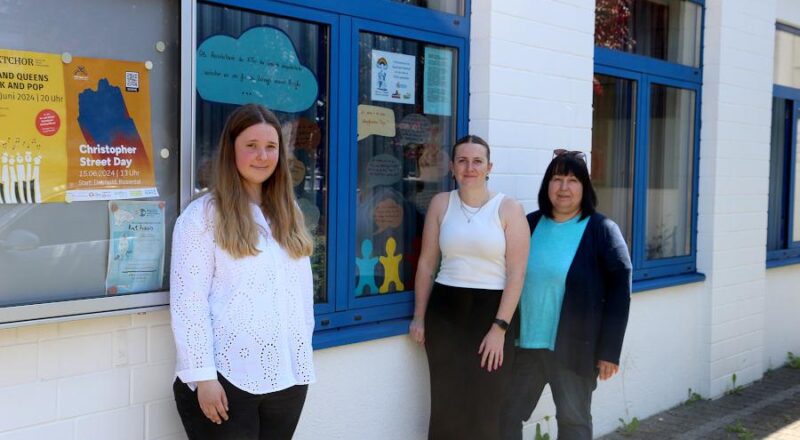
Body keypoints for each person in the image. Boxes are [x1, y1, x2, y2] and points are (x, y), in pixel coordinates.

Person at [170, 104, 316, 440]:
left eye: (271, 147)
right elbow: (188, 302)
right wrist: (203, 377)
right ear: (231, 150)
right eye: (251, 146)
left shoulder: (288, 212)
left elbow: (300, 295)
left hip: (288, 378)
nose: (262, 156)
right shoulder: (202, 216)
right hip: (226, 380)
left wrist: (302, 352)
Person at [501, 149, 632, 440]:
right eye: (557, 179)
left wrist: (609, 351)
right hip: (525, 347)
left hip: (575, 349)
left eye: (572, 180)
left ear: (584, 187)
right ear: (547, 185)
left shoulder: (602, 230)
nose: (563, 187)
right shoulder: (528, 224)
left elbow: (620, 294)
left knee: (574, 423)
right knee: (505, 415)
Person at [409, 135, 530, 439]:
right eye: (462, 161)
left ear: (489, 167)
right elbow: (426, 264)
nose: (469, 167)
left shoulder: (509, 209)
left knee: (485, 404)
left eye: (477, 161)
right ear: (452, 167)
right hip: (445, 312)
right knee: (446, 404)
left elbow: (516, 274)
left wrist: (499, 328)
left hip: (491, 314)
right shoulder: (441, 204)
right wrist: (419, 316)